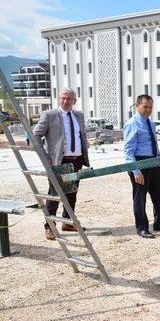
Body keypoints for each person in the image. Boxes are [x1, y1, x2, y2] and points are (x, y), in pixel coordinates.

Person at [32, 89, 90, 241]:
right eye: (63, 98)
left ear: (74, 101)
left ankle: (68, 222)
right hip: (59, 161)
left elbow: (81, 135)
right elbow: (35, 135)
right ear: (59, 99)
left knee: (72, 193)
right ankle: (49, 226)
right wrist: (46, 158)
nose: (65, 101)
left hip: (76, 161)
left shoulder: (79, 116)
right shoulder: (50, 115)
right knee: (54, 194)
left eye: (69, 99)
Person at [123, 94, 160, 238]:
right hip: (140, 163)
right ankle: (142, 228)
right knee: (140, 198)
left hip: (154, 163)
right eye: (145, 107)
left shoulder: (151, 123)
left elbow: (154, 143)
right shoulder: (132, 124)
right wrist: (136, 171)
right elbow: (128, 151)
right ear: (137, 106)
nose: (148, 110)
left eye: (150, 107)